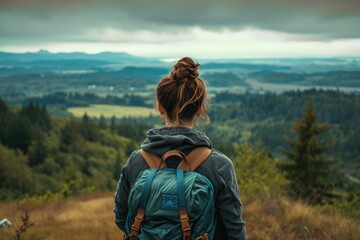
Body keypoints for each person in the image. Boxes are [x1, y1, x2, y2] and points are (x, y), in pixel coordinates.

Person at [114, 57, 247, 240]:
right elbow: (235, 230)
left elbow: (122, 219)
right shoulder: (219, 165)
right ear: (200, 110)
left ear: (160, 107)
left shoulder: (137, 161)